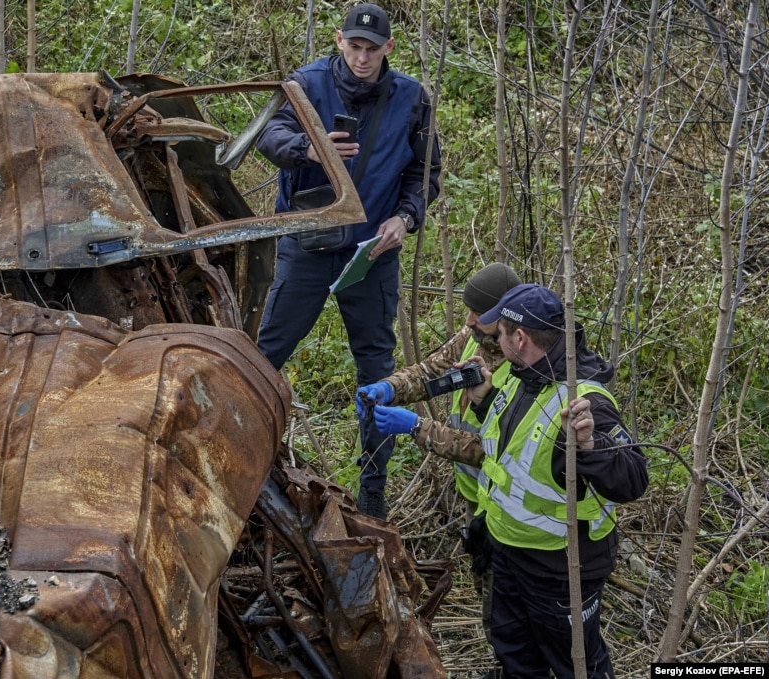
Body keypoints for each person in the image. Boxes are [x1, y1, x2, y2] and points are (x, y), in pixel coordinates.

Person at [255, 2, 442, 520]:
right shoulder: (305, 84)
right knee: (265, 356)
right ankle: (244, 464)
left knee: (376, 374)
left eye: (372, 49)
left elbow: (425, 174)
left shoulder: (412, 99)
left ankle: (373, 495)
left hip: (372, 255)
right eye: (354, 47)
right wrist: (308, 150)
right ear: (339, 41)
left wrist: (405, 219)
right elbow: (266, 136)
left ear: (389, 49)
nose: (362, 58)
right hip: (309, 244)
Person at [460, 283, 647, 678]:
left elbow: (633, 480)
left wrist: (590, 445)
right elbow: (515, 444)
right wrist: (483, 400)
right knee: (515, 657)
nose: (498, 342)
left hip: (559, 570)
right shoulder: (519, 374)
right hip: (507, 553)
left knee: (578, 666)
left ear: (520, 337)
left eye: (502, 335)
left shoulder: (585, 401)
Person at [355, 262, 521, 524]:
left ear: (504, 316)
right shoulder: (474, 336)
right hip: (475, 493)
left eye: (478, 314)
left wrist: (416, 427)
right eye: (469, 311)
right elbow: (429, 372)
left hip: (510, 507)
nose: (468, 321)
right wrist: (388, 387)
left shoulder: (526, 366)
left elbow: (489, 450)